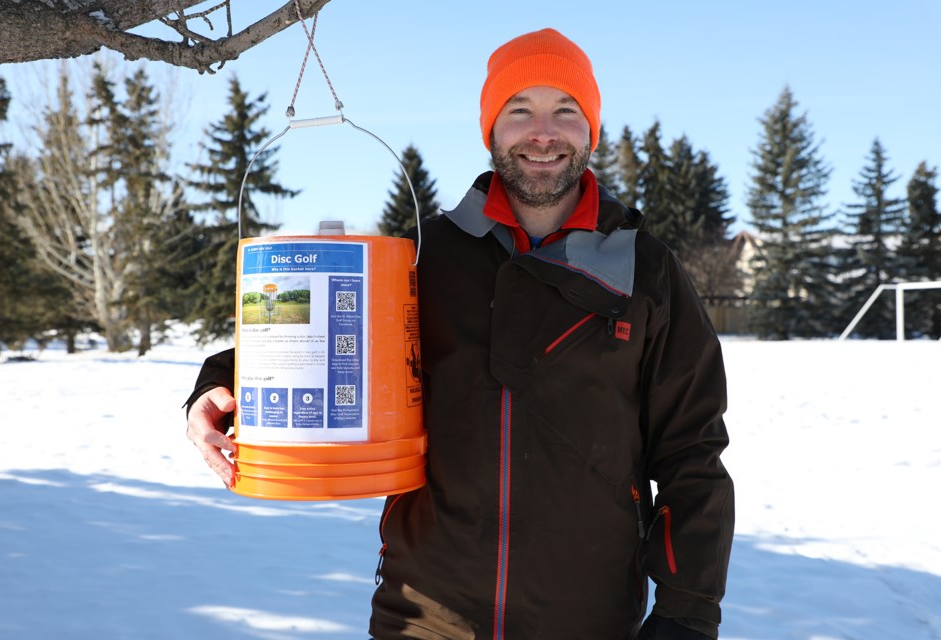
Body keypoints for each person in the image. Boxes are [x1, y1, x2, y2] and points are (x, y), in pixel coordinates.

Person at [185, 28, 734, 640]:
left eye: (566, 111)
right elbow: (326, 339)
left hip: (588, 617)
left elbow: (692, 454)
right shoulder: (431, 255)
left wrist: (687, 611)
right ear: (492, 129)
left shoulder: (644, 268)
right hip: (426, 613)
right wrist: (218, 384)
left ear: (591, 128)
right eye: (519, 110)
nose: (543, 133)